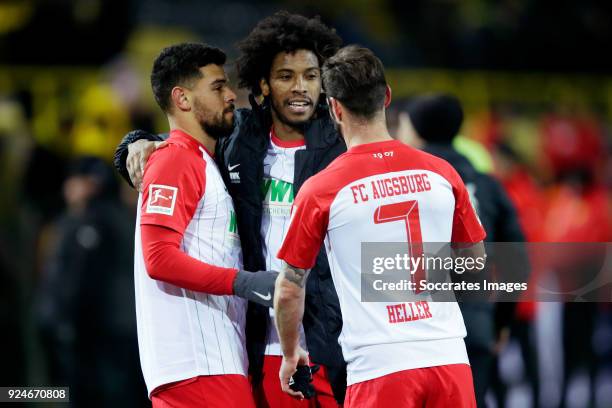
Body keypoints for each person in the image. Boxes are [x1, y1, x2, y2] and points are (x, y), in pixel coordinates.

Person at [114, 12, 346, 406]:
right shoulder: (239, 139)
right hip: (253, 349)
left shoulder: (342, 147)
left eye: (311, 75)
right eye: (286, 76)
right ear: (263, 84)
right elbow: (182, 143)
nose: (300, 88)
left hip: (323, 344)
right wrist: (134, 144)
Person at [274, 45, 485, 407]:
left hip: (380, 367)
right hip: (448, 358)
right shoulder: (442, 174)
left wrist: (291, 353)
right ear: (386, 97)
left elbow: (291, 287)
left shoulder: (321, 189)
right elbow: (475, 265)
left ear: (334, 107)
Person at [133, 43, 278, 408]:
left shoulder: (202, 161)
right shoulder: (175, 161)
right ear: (182, 99)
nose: (231, 95)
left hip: (214, 360)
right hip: (197, 365)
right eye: (217, 87)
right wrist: (243, 282)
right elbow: (159, 259)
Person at [396, 94, 528, 407]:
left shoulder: (399, 182)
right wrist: (499, 322)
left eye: (401, 125)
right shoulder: (488, 184)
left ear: (415, 130)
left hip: (412, 330)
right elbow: (517, 260)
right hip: (474, 325)